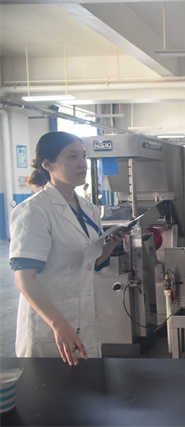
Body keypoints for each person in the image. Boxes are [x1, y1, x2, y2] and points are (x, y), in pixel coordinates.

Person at [9, 131, 128, 366]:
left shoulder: (88, 208)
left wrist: (112, 241)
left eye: (83, 156)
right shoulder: (33, 211)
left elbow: (92, 261)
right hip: (50, 327)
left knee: (87, 383)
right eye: (72, 157)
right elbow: (24, 279)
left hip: (83, 319)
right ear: (47, 164)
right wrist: (58, 323)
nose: (82, 163)